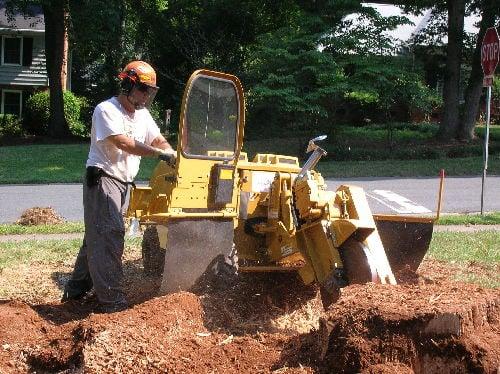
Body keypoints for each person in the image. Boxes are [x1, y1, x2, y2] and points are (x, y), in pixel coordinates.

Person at [62, 60, 175, 313]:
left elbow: (156, 138)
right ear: (128, 85)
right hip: (104, 178)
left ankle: (76, 288)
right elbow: (124, 143)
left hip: (123, 182)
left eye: (150, 92)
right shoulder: (106, 110)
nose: (147, 96)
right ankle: (112, 302)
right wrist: (160, 154)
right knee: (109, 235)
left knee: (97, 234)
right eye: (144, 90)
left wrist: (169, 151)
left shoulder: (142, 114)